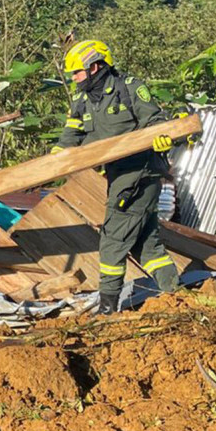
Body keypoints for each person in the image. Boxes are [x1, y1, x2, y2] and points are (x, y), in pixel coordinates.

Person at [56, 40, 180, 315]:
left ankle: (108, 309)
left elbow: (155, 121)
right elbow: (70, 137)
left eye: (77, 73)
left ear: (95, 66)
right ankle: (176, 296)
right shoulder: (81, 101)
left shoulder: (130, 88)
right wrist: (52, 162)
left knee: (112, 239)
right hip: (116, 175)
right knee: (147, 245)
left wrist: (160, 137)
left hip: (140, 174)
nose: (74, 79)